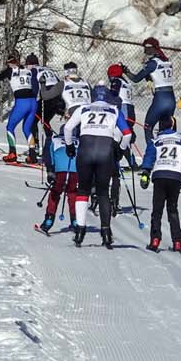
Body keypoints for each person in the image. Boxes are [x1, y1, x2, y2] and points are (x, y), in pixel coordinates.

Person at [64, 84, 133, 249]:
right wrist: (120, 150)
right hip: (105, 152)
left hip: (85, 151)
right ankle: (106, 232)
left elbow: (67, 128)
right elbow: (127, 134)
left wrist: (69, 146)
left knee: (83, 191)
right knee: (103, 192)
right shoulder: (114, 110)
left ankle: (80, 231)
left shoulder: (82, 108)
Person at [140, 118, 181, 252]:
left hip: (160, 175)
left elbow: (149, 156)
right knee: (172, 209)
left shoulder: (156, 140)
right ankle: (177, 241)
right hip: (175, 176)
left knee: (157, 210)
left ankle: (155, 240)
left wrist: (146, 172)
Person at [0, 52, 37, 163]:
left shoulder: (10, 70)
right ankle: (32, 155)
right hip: (33, 102)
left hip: (22, 102)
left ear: (9, 63)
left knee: (10, 127)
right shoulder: (27, 69)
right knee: (27, 129)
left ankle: (12, 153)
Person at [123, 37, 176, 143]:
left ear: (152, 48)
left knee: (148, 127)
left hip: (160, 98)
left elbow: (136, 79)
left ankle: (151, 151)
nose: (144, 51)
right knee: (165, 129)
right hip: (171, 98)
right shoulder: (166, 61)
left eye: (146, 48)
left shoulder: (152, 63)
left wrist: (126, 71)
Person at [38, 111, 79, 235]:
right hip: (75, 173)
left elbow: (48, 156)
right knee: (73, 194)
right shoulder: (80, 141)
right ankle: (75, 221)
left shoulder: (54, 140)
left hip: (59, 172)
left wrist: (50, 171)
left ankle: (48, 221)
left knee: (55, 194)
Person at [36, 60, 66, 162]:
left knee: (33, 120)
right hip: (56, 97)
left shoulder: (34, 70)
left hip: (48, 96)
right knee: (45, 121)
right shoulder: (49, 70)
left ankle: (35, 147)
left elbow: (34, 87)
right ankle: (49, 143)